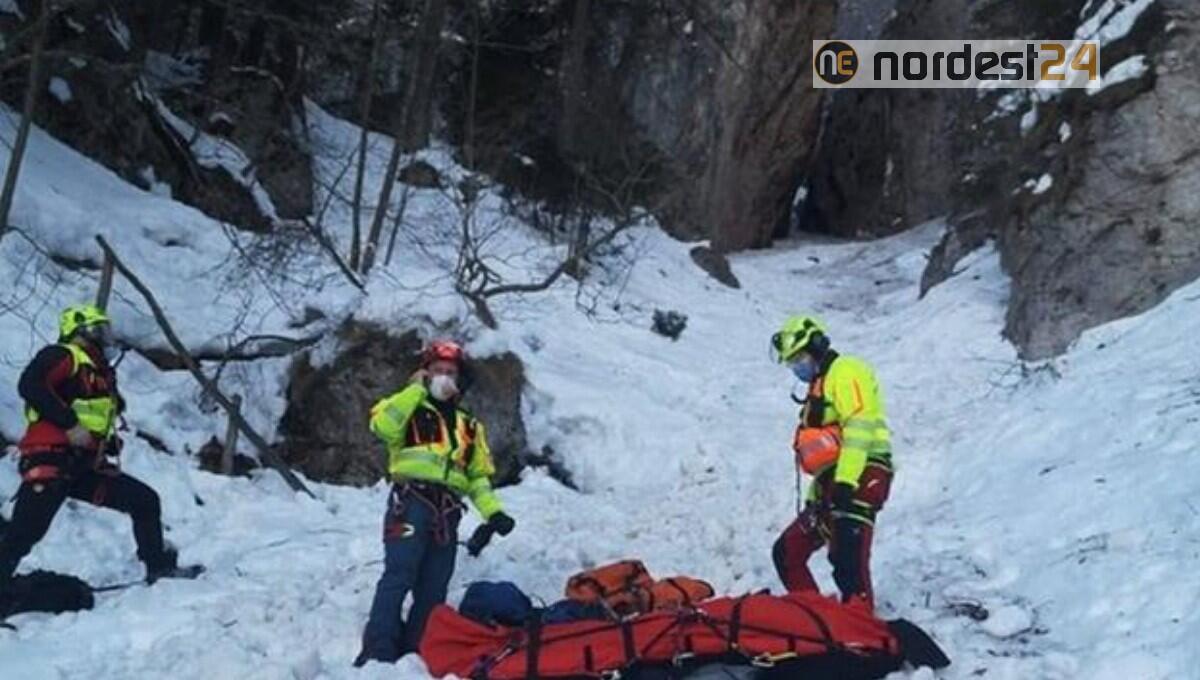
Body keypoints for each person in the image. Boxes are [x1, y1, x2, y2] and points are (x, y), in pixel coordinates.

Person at [0, 304, 203, 592]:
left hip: (81, 466)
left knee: (144, 500)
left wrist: (103, 441)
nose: (104, 337)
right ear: (78, 331)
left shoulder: (97, 372)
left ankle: (159, 567)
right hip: (51, 461)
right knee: (24, 534)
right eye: (98, 330)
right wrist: (69, 424)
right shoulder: (62, 355)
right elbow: (30, 384)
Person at [356, 339, 516, 665]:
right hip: (410, 501)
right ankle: (378, 651)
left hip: (447, 512)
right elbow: (382, 426)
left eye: (450, 372)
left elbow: (477, 478)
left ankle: (416, 651)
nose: (444, 377)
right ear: (425, 374)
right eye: (437, 371)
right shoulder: (406, 407)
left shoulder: (470, 426)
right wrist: (415, 390)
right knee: (399, 575)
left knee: (434, 586)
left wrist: (494, 512)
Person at [769, 315, 893, 611]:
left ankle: (863, 630)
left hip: (863, 472)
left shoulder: (846, 371)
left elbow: (859, 426)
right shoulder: (817, 387)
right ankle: (817, 620)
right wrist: (820, 494)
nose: (796, 366)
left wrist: (847, 480)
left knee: (847, 559)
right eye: (791, 361)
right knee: (786, 553)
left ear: (816, 347)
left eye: (798, 358)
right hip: (832, 482)